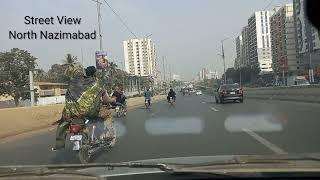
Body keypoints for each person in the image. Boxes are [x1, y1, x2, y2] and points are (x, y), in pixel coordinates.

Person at [52, 66, 116, 151]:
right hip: (90, 111)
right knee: (108, 113)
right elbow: (105, 99)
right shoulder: (96, 83)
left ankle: (59, 145)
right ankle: (108, 135)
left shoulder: (72, 84)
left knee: (64, 123)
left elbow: (68, 99)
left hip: (72, 113)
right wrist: (113, 99)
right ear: (94, 74)